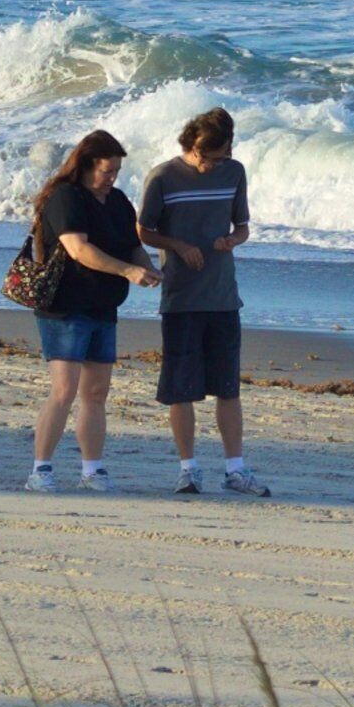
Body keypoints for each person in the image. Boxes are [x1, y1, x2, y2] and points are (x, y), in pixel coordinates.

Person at [138, 107, 266, 497]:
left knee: (229, 388)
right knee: (182, 389)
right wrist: (179, 245)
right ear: (191, 144)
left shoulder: (234, 171)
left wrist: (233, 240)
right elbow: (144, 230)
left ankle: (235, 469)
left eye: (220, 157)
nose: (212, 165)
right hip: (180, 297)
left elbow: (242, 227)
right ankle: (188, 469)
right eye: (206, 158)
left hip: (224, 295)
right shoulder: (162, 176)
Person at [25, 128, 158, 492]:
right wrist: (128, 271)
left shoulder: (116, 201)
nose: (111, 178)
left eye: (116, 171)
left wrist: (148, 267)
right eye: (106, 171)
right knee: (64, 390)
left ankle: (92, 470)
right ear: (85, 166)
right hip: (65, 307)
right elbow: (79, 250)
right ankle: (41, 469)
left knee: (96, 393)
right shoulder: (65, 197)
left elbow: (133, 247)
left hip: (103, 307)